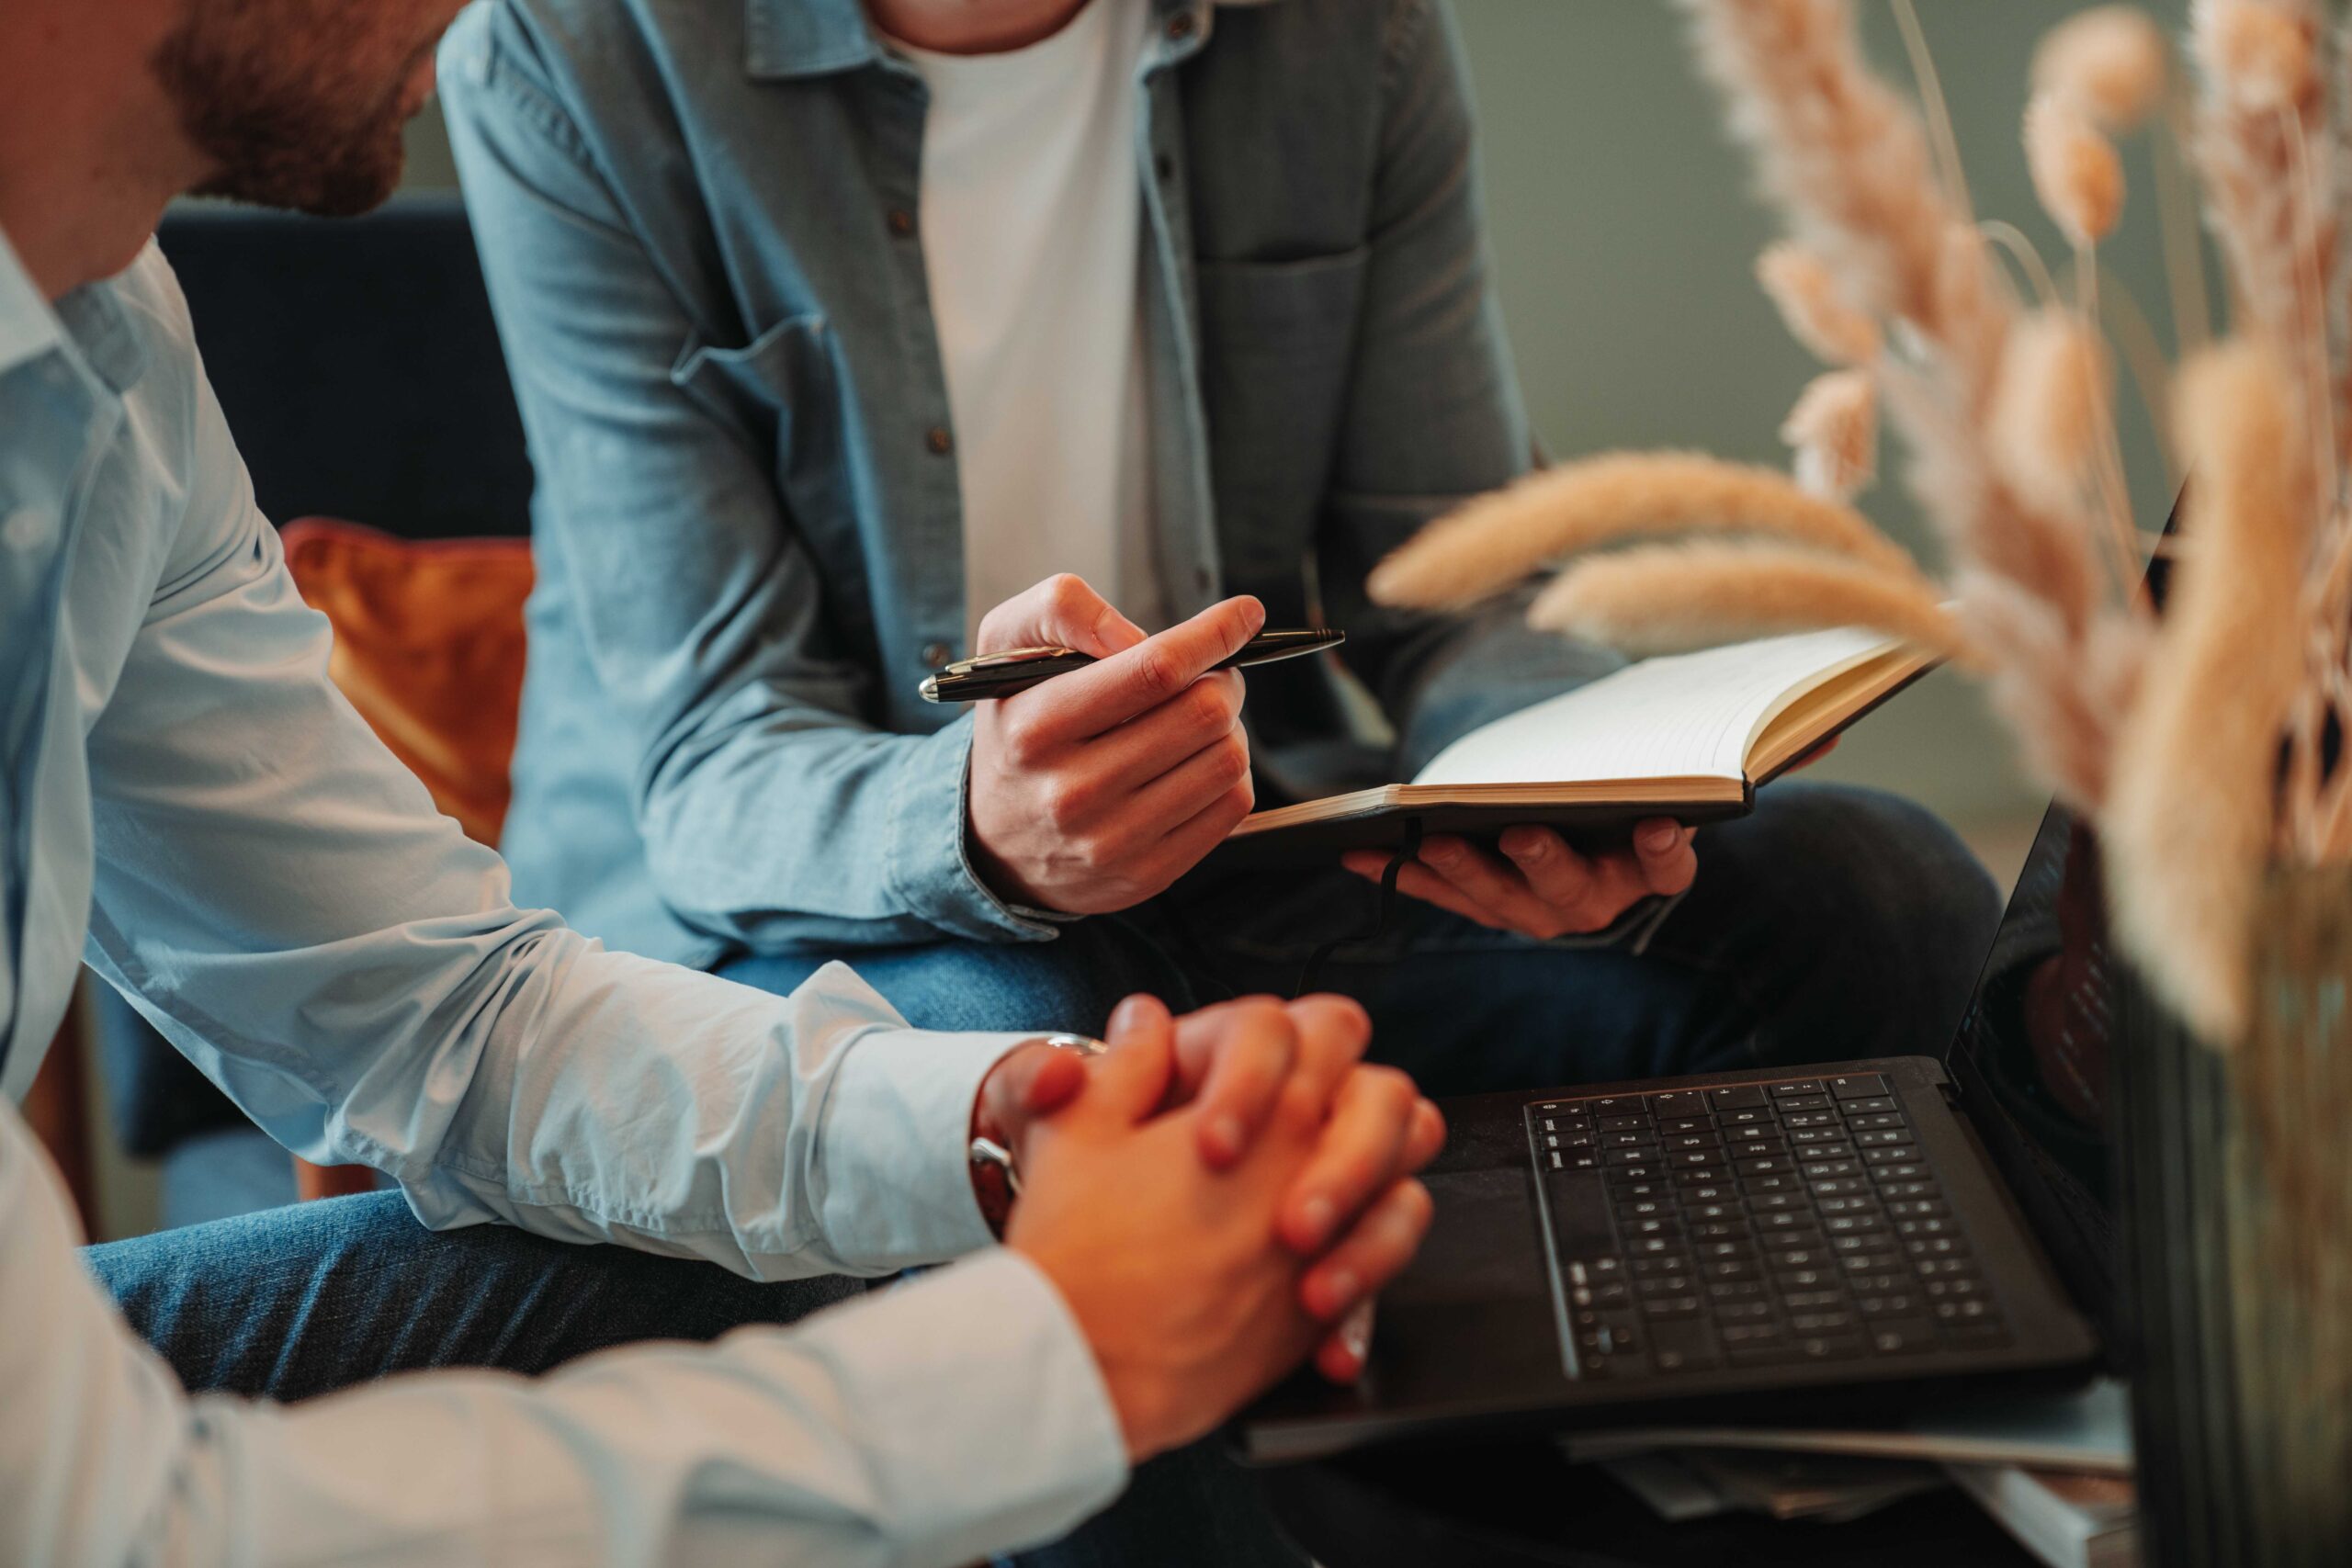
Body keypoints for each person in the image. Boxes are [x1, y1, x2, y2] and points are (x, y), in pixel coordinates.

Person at [0, 0, 1444, 1562]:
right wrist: (1057, 1368)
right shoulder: (578, 63)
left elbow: (449, 1020)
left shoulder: (111, 342)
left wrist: (1007, 1128)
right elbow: (124, 1529)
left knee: (936, 1204)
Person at [439, 0, 2004, 1101]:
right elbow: (716, 762)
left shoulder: (1342, 30)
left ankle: (1770, 1486)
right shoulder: (574, 53)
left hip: (1244, 861)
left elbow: (1457, 587)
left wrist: (1563, 785)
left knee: (1878, 892)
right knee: (1035, 1061)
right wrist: (978, 826)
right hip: (795, 917)